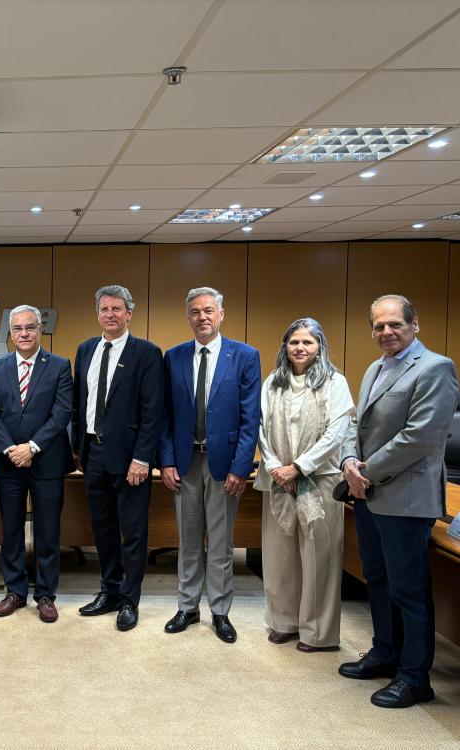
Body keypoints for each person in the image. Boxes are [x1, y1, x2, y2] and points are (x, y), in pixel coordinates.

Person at [338, 294, 458, 708]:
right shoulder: (375, 367)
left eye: (394, 325)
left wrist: (364, 471)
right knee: (378, 580)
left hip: (406, 500)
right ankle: (385, 653)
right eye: (378, 326)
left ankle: (414, 676)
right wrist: (350, 460)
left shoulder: (435, 368)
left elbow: (421, 437)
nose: (386, 332)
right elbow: (357, 422)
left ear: (415, 325)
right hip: (368, 495)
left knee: (409, 590)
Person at [159, 286, 260, 644]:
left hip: (224, 463)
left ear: (221, 314)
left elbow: (251, 418)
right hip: (185, 462)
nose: (202, 317)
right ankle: (187, 607)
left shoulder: (245, 356)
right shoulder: (173, 356)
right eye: (195, 312)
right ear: (188, 317)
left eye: (208, 311)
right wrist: (166, 460)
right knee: (188, 541)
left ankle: (220, 611)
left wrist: (240, 467)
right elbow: (166, 414)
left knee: (220, 542)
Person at [254, 318, 354, 653]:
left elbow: (337, 432)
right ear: (285, 346)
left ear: (319, 347)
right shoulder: (273, 383)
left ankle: (318, 633)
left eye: (307, 343)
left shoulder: (334, 382)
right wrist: (275, 467)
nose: (300, 348)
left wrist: (299, 467)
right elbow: (261, 430)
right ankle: (283, 622)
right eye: (294, 342)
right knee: (279, 556)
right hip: (279, 480)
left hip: (320, 479)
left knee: (318, 559)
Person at [72, 286, 163, 632]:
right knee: (103, 529)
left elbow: (153, 412)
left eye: (117, 308)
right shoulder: (86, 350)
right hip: (93, 454)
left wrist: (143, 458)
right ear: (97, 313)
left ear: (129, 313)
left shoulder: (147, 353)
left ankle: (129, 600)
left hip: (130, 459)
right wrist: (78, 449)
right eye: (104, 308)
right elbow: (81, 402)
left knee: (133, 533)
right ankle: (109, 591)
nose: (110, 314)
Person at [0, 304, 73, 623]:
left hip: (47, 460)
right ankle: (15, 591)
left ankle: (46, 595)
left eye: (30, 327)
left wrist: (32, 447)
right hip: (9, 464)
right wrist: (10, 448)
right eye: (18, 328)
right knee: (11, 530)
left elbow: (62, 413)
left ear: (40, 329)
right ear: (10, 333)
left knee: (48, 531)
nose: (24, 333)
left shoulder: (60, 365)